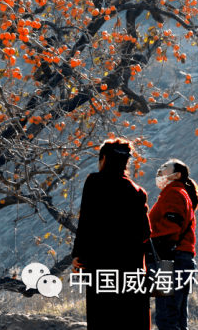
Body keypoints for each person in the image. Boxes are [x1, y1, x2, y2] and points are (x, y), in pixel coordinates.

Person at [71, 138, 153, 329]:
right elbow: (145, 233)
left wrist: (78, 255)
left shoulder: (94, 182)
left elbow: (86, 223)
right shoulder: (137, 192)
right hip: (131, 270)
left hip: (101, 268)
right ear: (126, 163)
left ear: (104, 159)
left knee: (103, 321)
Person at [149, 159, 198, 330]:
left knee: (166, 318)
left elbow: (171, 224)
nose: (160, 170)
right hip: (180, 260)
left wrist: (146, 235)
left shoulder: (174, 193)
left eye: (165, 167)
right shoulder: (178, 193)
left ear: (177, 175)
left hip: (170, 263)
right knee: (177, 319)